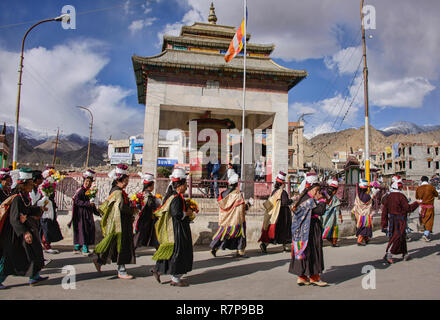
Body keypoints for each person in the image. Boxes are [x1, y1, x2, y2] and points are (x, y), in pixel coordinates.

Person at [0, 168, 48, 289]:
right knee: (9, 259)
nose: (33, 186)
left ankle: (34, 276)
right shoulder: (16, 198)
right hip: (14, 233)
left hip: (22, 230)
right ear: (24, 184)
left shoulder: (24, 197)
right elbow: (14, 219)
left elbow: (28, 209)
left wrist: (40, 209)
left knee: (34, 251)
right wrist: (25, 232)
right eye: (31, 184)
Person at [151, 168, 194, 287]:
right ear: (180, 185)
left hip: (176, 228)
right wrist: (187, 213)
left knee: (172, 252)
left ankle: (158, 270)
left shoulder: (174, 196)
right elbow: (177, 214)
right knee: (178, 253)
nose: (186, 187)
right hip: (178, 230)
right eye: (185, 184)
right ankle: (175, 279)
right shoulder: (176, 198)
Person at [92, 164, 136, 280]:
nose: (126, 183)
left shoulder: (116, 191)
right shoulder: (118, 193)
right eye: (125, 181)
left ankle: (99, 260)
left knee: (113, 246)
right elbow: (121, 208)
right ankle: (121, 270)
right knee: (121, 247)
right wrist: (132, 210)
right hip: (120, 224)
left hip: (117, 224)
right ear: (119, 181)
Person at [289, 182, 328, 287]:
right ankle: (314, 277)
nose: (318, 193)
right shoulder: (309, 201)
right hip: (310, 230)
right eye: (318, 191)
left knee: (305, 253)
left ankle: (302, 277)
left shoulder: (304, 198)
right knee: (314, 252)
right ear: (315, 190)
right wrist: (322, 200)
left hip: (302, 231)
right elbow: (320, 211)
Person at [210, 172, 250, 258]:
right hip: (236, 220)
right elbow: (242, 208)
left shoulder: (222, 194)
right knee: (240, 235)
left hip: (224, 219)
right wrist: (249, 204)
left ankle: (214, 247)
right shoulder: (237, 195)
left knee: (223, 234)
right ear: (236, 184)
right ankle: (240, 251)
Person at [381, 176, 419, 263]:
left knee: (401, 236)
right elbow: (408, 208)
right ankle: (389, 253)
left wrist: (384, 224)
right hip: (400, 220)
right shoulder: (401, 196)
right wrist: (416, 203)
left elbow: (384, 211)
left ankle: (405, 253)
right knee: (397, 236)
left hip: (391, 220)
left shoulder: (389, 196)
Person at [258, 171, 293, 253]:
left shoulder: (274, 192)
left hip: (275, 215)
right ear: (282, 184)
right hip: (282, 215)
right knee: (284, 230)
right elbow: (285, 202)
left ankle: (264, 244)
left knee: (273, 230)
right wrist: (292, 200)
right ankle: (286, 246)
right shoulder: (282, 192)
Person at [69, 170, 100, 256]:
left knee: (84, 230)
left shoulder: (90, 192)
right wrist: (87, 204)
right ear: (84, 182)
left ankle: (77, 246)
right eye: (87, 181)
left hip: (87, 214)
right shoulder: (80, 191)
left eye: (90, 182)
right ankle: (84, 248)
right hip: (81, 214)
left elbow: (92, 204)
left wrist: (97, 212)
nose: (88, 183)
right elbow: (77, 201)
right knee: (84, 230)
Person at [38, 168, 63, 254]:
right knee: (46, 226)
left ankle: (47, 243)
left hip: (49, 207)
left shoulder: (50, 186)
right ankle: (46, 244)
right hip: (45, 209)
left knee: (48, 226)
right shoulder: (43, 186)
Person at [133, 172, 159, 250]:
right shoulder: (149, 197)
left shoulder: (140, 194)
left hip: (142, 219)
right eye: (153, 185)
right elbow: (152, 207)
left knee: (140, 235)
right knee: (140, 236)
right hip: (147, 219)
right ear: (150, 186)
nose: (153, 187)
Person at [416, 176, 439, 242]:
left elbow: (416, 196)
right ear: (428, 180)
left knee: (423, 220)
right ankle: (426, 234)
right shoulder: (431, 188)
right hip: (429, 207)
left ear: (421, 180)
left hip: (421, 207)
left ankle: (425, 233)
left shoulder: (419, 188)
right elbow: (436, 194)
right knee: (429, 221)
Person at [321, 179, 343, 247]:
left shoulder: (323, 195)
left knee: (323, 228)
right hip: (332, 218)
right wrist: (340, 215)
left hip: (323, 216)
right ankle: (333, 242)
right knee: (332, 229)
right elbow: (338, 208)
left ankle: (322, 242)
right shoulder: (335, 199)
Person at [352, 179, 373, 246]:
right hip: (365, 215)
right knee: (365, 228)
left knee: (362, 227)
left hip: (358, 215)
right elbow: (371, 204)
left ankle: (366, 239)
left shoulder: (358, 196)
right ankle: (359, 240)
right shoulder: (367, 196)